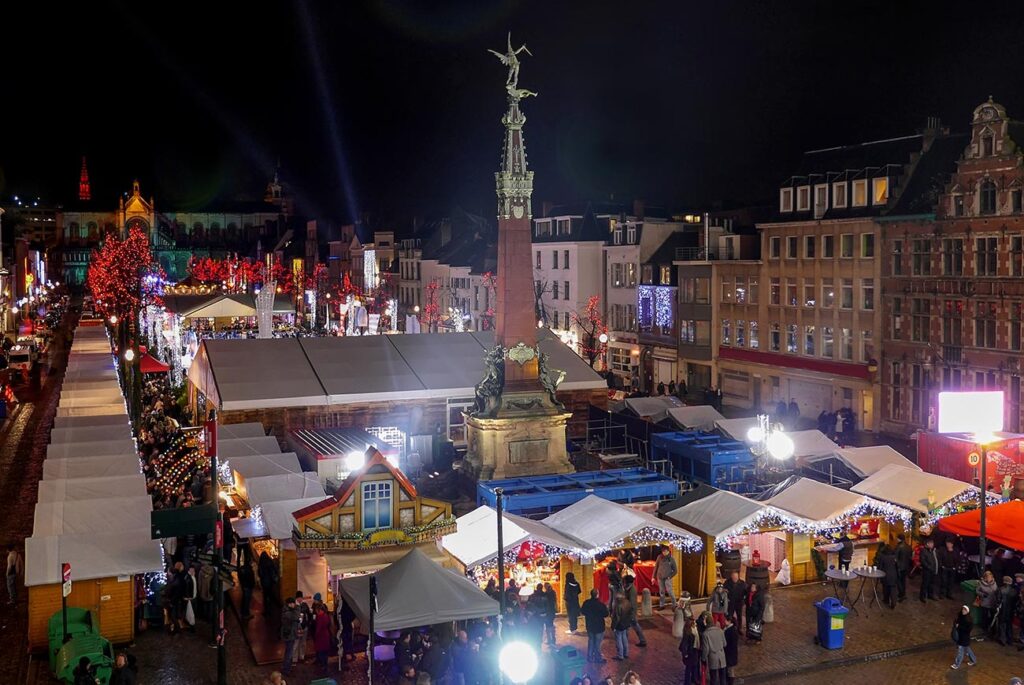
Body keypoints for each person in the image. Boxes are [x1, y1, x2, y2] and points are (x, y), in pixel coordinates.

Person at [581, 588, 608, 663]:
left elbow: (582, 611)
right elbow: (606, 614)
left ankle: (589, 657)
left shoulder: (586, 603)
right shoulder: (601, 605)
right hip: (599, 626)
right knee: (597, 643)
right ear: (597, 595)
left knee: (591, 641)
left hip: (590, 625)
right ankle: (597, 658)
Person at [621, 574, 647, 647]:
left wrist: (631, 614)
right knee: (634, 626)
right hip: (629, 612)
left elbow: (632, 604)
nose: (623, 583)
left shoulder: (632, 590)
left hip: (630, 613)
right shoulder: (628, 588)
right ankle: (642, 640)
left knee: (629, 627)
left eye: (624, 582)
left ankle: (625, 642)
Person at [701, 615, 728, 685]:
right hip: (722, 657)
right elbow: (725, 644)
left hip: (712, 658)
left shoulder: (705, 634)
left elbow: (706, 649)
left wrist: (703, 659)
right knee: (723, 678)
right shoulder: (720, 631)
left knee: (713, 678)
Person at [951, 605, 978, 669]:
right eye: (963, 609)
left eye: (965, 610)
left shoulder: (968, 620)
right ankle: (973, 660)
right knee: (967, 649)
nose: (963, 611)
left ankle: (957, 664)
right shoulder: (962, 617)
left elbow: (968, 629)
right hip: (963, 638)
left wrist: (959, 626)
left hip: (963, 638)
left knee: (960, 652)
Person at [279, 596, 300, 677]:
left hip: (289, 634)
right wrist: (298, 607)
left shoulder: (287, 611)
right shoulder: (287, 613)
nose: (294, 605)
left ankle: (287, 667)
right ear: (289, 604)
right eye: (293, 603)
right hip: (289, 635)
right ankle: (286, 669)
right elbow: (296, 616)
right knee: (289, 652)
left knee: (288, 651)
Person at [611, 592, 634, 661]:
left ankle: (620, 655)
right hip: (626, 624)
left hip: (620, 625)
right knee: (624, 638)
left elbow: (617, 618)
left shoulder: (618, 606)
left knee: (619, 640)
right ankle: (626, 653)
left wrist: (613, 626)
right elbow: (631, 613)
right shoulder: (627, 602)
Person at [678, 616, 701, 685]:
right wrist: (685, 654)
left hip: (696, 649)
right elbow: (685, 644)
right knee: (689, 667)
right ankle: (687, 682)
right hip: (690, 651)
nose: (695, 623)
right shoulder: (687, 632)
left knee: (695, 665)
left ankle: (694, 679)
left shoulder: (695, 629)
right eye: (694, 623)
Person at [877, 543, 899, 609]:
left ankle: (886, 600)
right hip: (893, 575)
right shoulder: (894, 557)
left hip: (885, 575)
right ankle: (893, 603)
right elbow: (897, 566)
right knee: (893, 589)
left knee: (885, 588)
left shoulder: (882, 557)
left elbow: (880, 566)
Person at [998, 575, 1019, 646]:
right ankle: (1010, 640)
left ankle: (1003, 640)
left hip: (1002, 611)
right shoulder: (1014, 591)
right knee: (1009, 626)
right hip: (1011, 611)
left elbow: (998, 601)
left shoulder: (1000, 589)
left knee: (1002, 625)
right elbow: (1016, 602)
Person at [977, 570, 999, 635]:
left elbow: (997, 590)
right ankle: (984, 628)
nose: (989, 579)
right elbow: (977, 591)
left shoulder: (995, 582)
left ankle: (992, 628)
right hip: (985, 603)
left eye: (990, 577)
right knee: (985, 616)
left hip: (993, 603)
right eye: (988, 577)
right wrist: (983, 594)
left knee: (993, 616)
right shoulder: (981, 583)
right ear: (985, 578)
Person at [293, 592, 312, 664]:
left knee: (303, 643)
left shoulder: (304, 605)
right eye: (299, 598)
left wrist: (308, 623)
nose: (300, 599)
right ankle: (294, 659)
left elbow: (309, 614)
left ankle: (302, 656)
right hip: (297, 627)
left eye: (301, 597)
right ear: (297, 598)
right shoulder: (294, 606)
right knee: (296, 643)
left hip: (304, 627)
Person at [919, 538, 939, 602]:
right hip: (927, 571)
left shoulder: (931, 551)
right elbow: (923, 561)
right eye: (931, 543)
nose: (933, 544)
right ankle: (922, 596)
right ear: (927, 544)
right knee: (925, 584)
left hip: (932, 570)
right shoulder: (923, 551)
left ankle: (930, 595)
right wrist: (929, 567)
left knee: (931, 583)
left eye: (933, 543)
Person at [313, 604, 332, 670]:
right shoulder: (326, 615)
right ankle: (325, 664)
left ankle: (324, 665)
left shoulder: (320, 616)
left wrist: (315, 635)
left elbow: (318, 627)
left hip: (321, 636)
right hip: (326, 634)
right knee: (325, 651)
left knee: (321, 651)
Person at [894, 534, 912, 602]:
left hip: (899, 567)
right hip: (906, 566)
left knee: (899, 581)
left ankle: (901, 595)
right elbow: (910, 556)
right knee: (903, 581)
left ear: (899, 539)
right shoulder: (908, 546)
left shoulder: (898, 547)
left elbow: (895, 558)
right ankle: (903, 593)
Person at [723, 616, 739, 683]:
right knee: (729, 669)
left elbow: (730, 643)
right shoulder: (729, 629)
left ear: (729, 621)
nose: (724, 621)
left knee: (730, 670)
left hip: (730, 653)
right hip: (730, 653)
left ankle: (730, 682)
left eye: (725, 620)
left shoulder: (731, 631)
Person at [543, 581, 558, 645]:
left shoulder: (546, 594)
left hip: (548, 611)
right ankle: (553, 639)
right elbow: (555, 601)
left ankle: (549, 640)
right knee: (551, 624)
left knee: (548, 625)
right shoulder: (553, 592)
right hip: (552, 611)